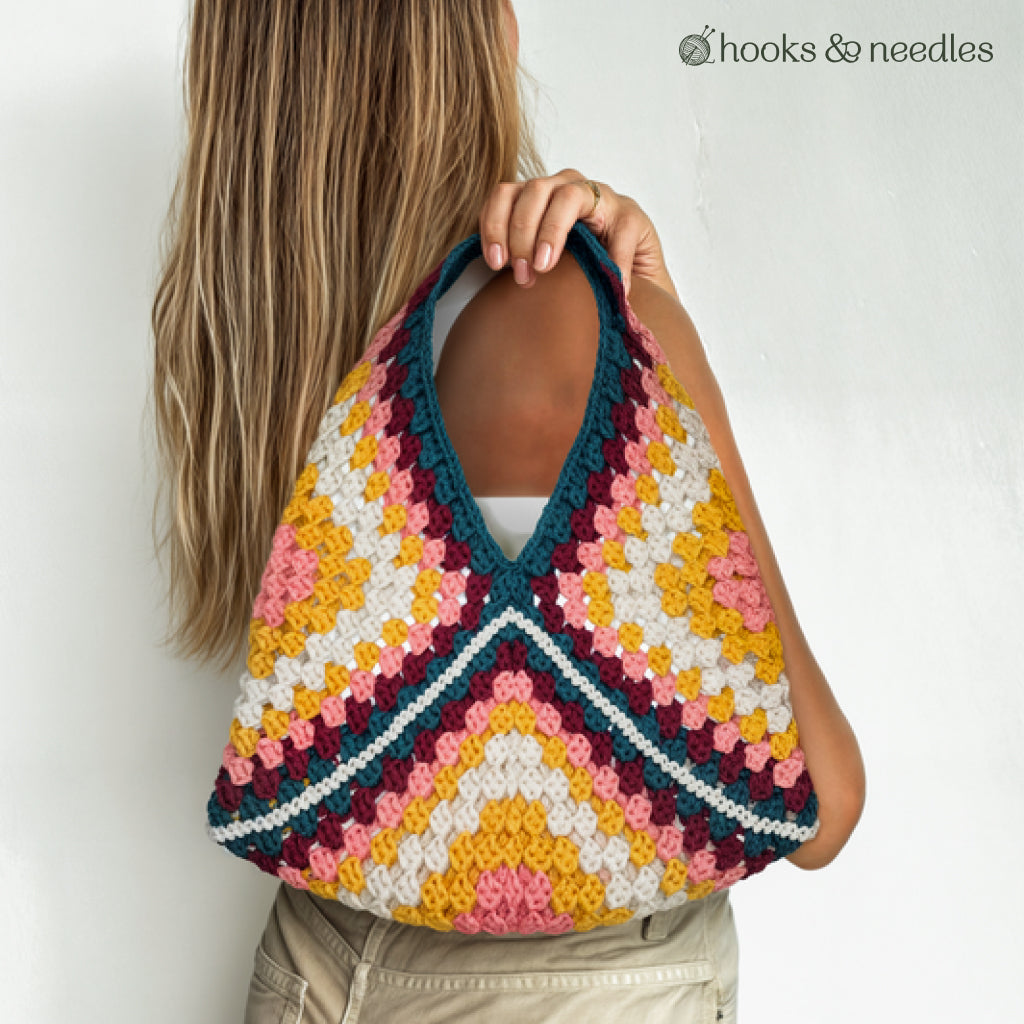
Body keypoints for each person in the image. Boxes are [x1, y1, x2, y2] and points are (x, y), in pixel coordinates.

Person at [150, 3, 865, 1022]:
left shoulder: (276, 348)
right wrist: (656, 330)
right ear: (471, 38)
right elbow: (821, 803)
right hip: (583, 993)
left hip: (310, 964)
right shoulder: (569, 312)